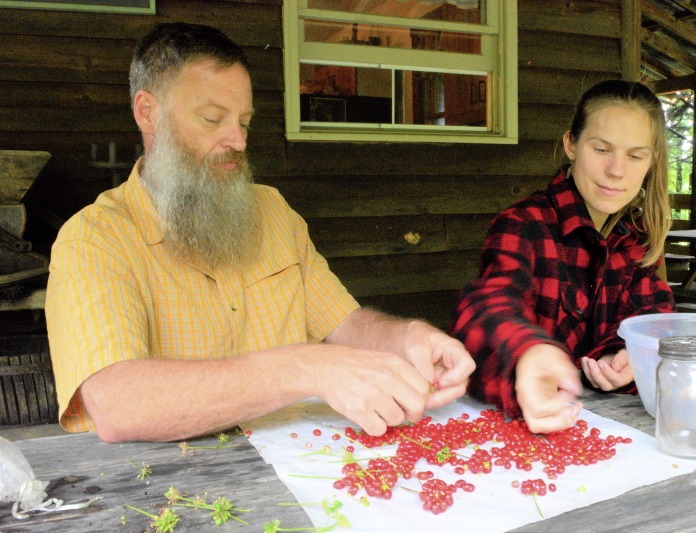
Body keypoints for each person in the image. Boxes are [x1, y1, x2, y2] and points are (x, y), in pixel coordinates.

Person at [45, 22, 475, 443]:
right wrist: (306, 367)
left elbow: (343, 324)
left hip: (303, 468)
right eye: (213, 118)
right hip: (169, 492)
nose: (237, 140)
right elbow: (118, 403)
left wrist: (407, 338)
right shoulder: (94, 238)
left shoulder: (273, 211)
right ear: (148, 112)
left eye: (244, 121)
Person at [449, 80, 675, 435]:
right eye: (602, 149)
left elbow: (654, 317)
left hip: (605, 432)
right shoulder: (523, 224)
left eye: (635, 155)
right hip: (515, 431)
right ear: (571, 145)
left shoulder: (636, 238)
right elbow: (488, 307)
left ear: (652, 161)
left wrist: (622, 356)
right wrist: (528, 353)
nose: (617, 170)